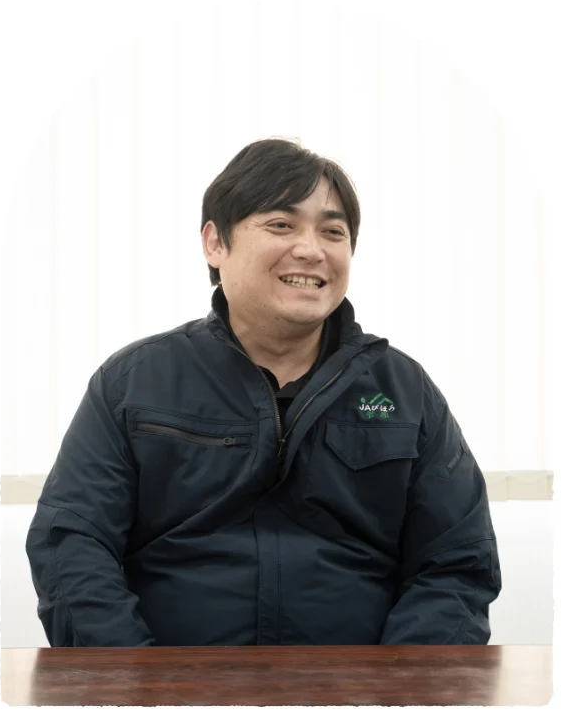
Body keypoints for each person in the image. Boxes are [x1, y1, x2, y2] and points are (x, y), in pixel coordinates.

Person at [26, 138, 502, 647]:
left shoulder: (404, 391)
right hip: (171, 680)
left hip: (357, 683)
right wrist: (131, 680)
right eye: (281, 224)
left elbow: (456, 564)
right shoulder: (133, 382)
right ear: (215, 243)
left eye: (333, 232)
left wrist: (402, 683)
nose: (312, 250)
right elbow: (72, 544)